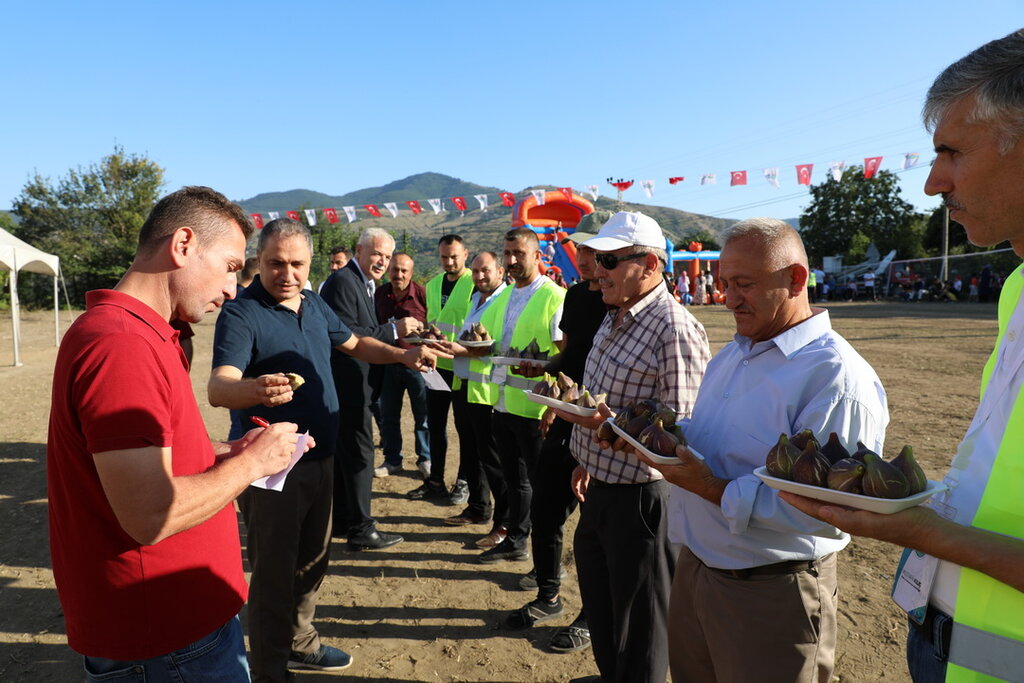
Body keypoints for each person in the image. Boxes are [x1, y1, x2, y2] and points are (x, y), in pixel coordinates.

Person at [783, 31, 1024, 683]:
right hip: (940, 645)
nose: (930, 182)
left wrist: (927, 533)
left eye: (951, 151)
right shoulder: (1016, 291)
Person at [47, 186, 304, 682]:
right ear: (183, 244)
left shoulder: (139, 332)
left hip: (173, 631)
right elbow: (149, 511)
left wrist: (230, 451)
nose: (233, 289)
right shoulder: (123, 344)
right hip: (167, 639)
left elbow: (147, 457)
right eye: (231, 266)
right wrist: (249, 466)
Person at [631, 218, 889, 683]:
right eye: (724, 283)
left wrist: (709, 487)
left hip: (772, 591)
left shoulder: (836, 378)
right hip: (698, 568)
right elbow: (713, 437)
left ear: (795, 279)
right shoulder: (734, 353)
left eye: (743, 284)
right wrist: (657, 437)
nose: (727, 298)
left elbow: (825, 506)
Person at [209, 218, 443, 682]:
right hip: (271, 467)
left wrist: (402, 354)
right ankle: (272, 669)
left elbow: (357, 344)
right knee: (275, 574)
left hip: (322, 458)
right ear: (260, 261)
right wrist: (255, 389)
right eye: (276, 263)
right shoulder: (242, 312)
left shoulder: (315, 304)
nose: (287, 273)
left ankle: (301, 642)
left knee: (313, 563)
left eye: (297, 264)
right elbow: (220, 387)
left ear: (310, 262)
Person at [552, 211, 711, 683]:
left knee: (643, 626)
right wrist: (588, 455)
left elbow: (679, 434)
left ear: (651, 265)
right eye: (598, 258)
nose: (597, 270)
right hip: (601, 486)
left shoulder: (673, 328)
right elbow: (604, 397)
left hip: (642, 501)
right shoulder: (614, 311)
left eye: (611, 260)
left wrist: (609, 429)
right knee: (604, 612)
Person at [503, 210, 614, 654]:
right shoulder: (574, 296)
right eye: (579, 248)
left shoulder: (618, 301)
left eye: (590, 249)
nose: (582, 257)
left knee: (593, 530)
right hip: (565, 419)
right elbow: (569, 357)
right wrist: (545, 375)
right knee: (546, 512)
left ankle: (592, 617)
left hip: (604, 429)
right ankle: (548, 596)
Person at [465, 228, 566, 564]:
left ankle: (548, 563)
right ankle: (516, 540)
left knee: (543, 489)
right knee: (515, 482)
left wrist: (555, 406)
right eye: (507, 253)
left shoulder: (554, 296)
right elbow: (489, 344)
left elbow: (567, 357)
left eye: (518, 254)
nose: (510, 261)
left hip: (536, 411)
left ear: (538, 256)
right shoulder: (506, 295)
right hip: (504, 404)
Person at [320, 227, 421, 549]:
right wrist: (393, 330)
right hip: (348, 386)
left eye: (387, 256)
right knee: (362, 456)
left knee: (349, 455)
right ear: (359, 251)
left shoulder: (364, 283)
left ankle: (344, 520)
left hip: (357, 385)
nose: (382, 261)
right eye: (377, 253)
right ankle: (361, 528)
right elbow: (346, 333)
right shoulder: (343, 282)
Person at [444, 251, 510, 544]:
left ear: (499, 271)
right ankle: (478, 507)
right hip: (464, 385)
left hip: (486, 390)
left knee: (494, 460)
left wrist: (457, 349)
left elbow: (491, 344)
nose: (479, 276)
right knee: (471, 453)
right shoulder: (475, 298)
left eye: (485, 271)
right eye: (475, 271)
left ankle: (504, 523)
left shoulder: (505, 299)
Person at [408, 235, 476, 503]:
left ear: (465, 254)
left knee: (464, 427)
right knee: (434, 425)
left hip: (462, 364)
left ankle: (464, 480)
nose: (449, 262)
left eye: (454, 257)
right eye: (444, 257)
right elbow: (434, 321)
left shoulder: (475, 283)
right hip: (436, 365)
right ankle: (435, 480)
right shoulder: (433, 284)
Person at [373, 252, 431, 477]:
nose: (399, 274)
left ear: (411, 272)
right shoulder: (379, 295)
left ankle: (425, 459)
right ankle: (392, 459)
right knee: (389, 415)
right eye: (395, 270)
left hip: (417, 365)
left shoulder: (422, 295)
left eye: (404, 270)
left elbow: (432, 326)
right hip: (388, 361)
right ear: (389, 270)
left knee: (422, 416)